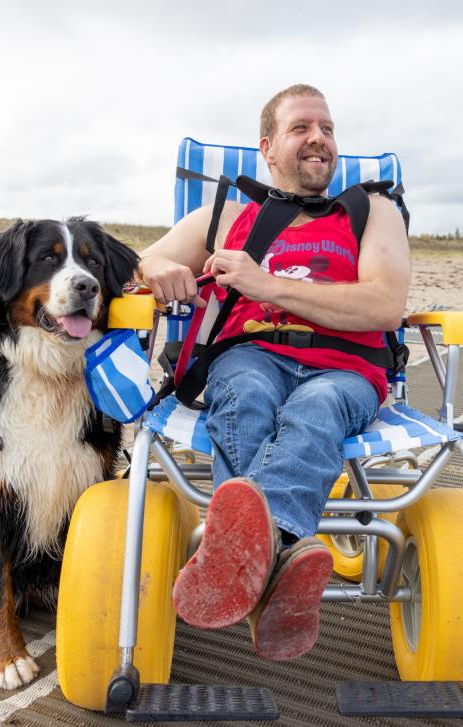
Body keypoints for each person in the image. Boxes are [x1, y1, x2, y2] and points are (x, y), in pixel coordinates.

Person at [137, 84, 410, 661]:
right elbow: (137, 262)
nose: (319, 139)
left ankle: (241, 558)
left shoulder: (370, 210)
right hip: (250, 355)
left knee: (314, 410)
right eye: (301, 128)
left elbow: (385, 305)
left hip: (345, 366)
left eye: (328, 129)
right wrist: (159, 266)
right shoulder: (228, 214)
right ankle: (284, 558)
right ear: (267, 147)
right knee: (247, 394)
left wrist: (264, 284)